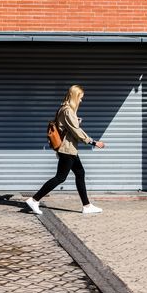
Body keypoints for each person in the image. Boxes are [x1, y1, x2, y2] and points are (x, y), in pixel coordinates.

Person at [26, 85, 105, 215]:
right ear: (75, 96)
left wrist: (76, 122)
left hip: (69, 149)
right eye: (80, 98)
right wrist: (93, 142)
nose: (81, 101)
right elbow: (76, 131)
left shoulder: (64, 109)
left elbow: (68, 127)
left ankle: (87, 205)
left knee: (80, 173)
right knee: (60, 177)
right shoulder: (67, 110)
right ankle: (34, 200)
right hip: (67, 149)